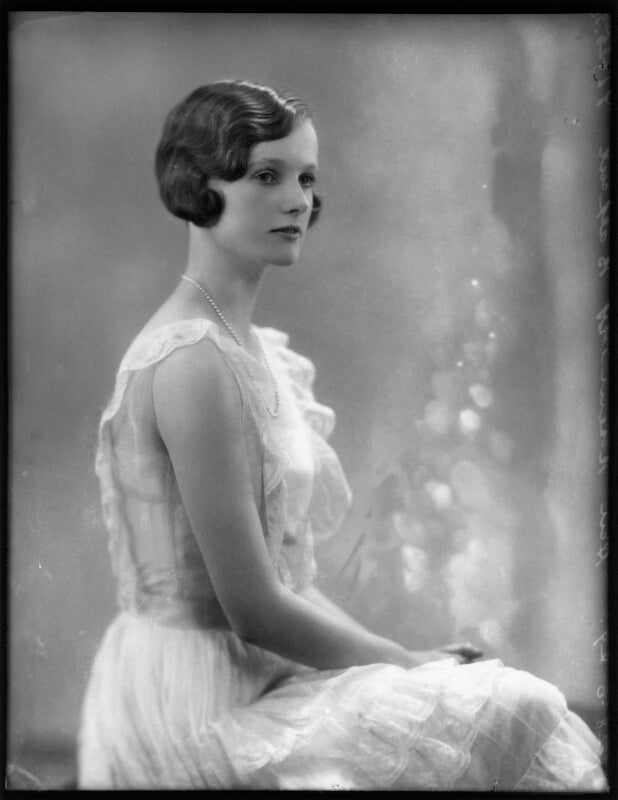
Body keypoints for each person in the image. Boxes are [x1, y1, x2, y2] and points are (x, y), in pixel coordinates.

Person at [78, 80, 607, 790]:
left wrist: (404, 661)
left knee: (504, 709)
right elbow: (255, 610)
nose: (297, 200)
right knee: (510, 710)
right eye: (266, 175)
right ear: (198, 185)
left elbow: (286, 583)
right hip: (191, 701)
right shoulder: (189, 360)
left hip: (262, 675)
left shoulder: (245, 347)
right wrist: (404, 663)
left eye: (306, 177)